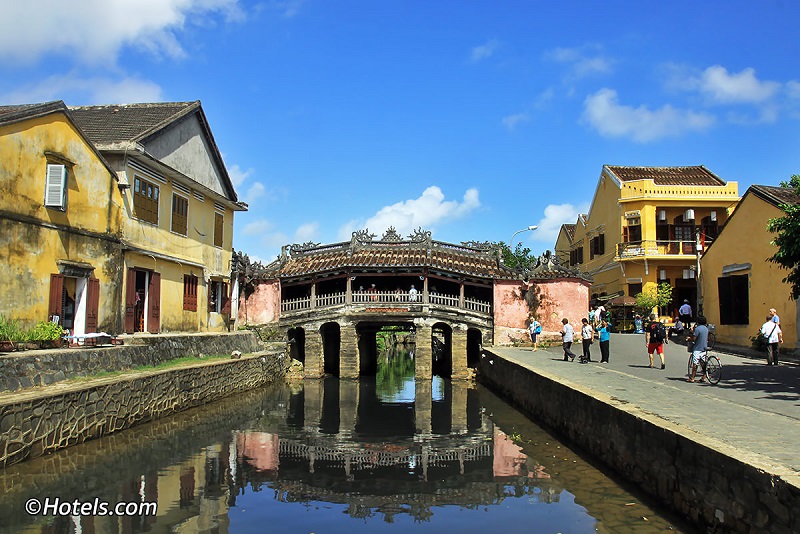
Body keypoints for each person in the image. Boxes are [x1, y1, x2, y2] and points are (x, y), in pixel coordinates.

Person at [687, 316, 709, 382]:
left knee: (695, 363)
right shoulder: (706, 329)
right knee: (703, 363)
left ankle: (692, 378)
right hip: (704, 347)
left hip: (697, 348)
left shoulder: (697, 329)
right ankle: (704, 376)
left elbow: (694, 339)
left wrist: (689, 338)